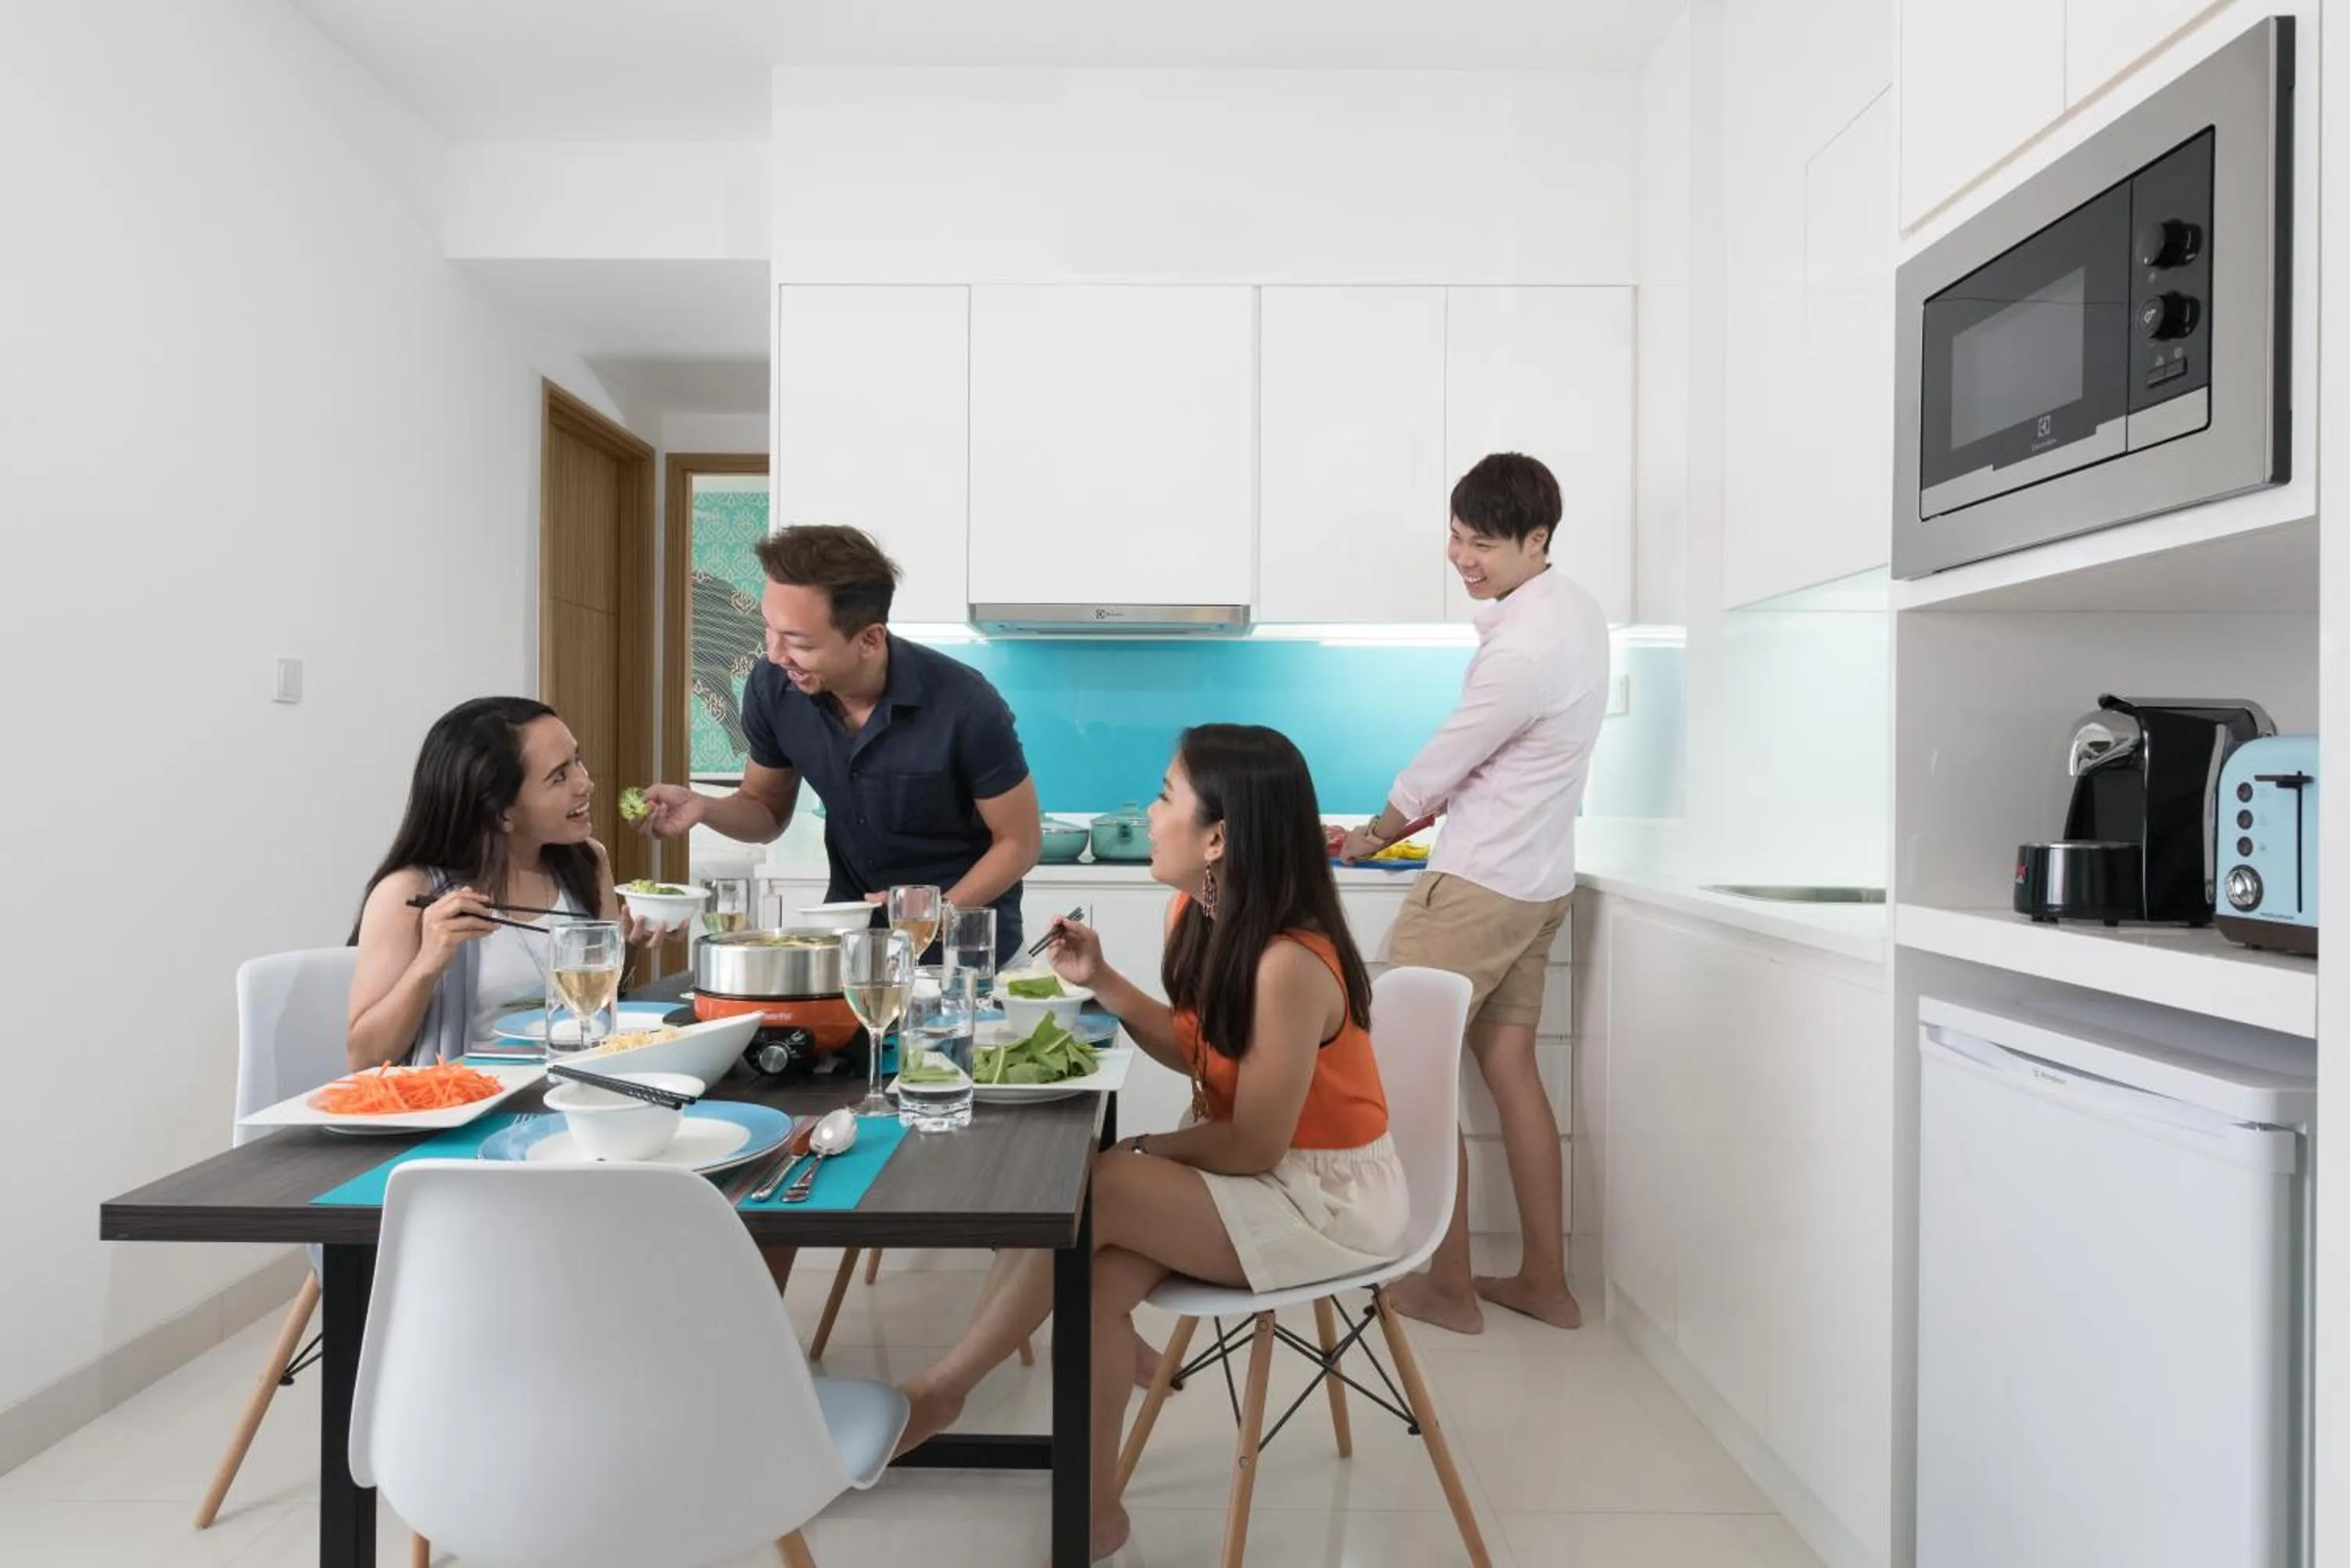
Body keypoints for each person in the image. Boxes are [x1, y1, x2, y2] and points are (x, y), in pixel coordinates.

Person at [896, 725, 1407, 1561]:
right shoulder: (1199, 912)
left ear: (1218, 837)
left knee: (1097, 1186)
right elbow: (1197, 1049)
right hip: (1260, 1174)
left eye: (1167, 795)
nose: (1151, 811)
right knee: (1090, 1274)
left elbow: (1250, 1145)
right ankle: (1095, 1508)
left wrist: (1150, 1151)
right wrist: (1102, 980)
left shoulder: (1289, 962)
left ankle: (942, 1391)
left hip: (1325, 1197)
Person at [1340, 453, 1608, 1335]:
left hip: (1480, 884)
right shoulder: (1576, 611)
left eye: (1482, 544)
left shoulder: (1522, 651)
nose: (1463, 558)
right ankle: (1545, 1282)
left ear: (1537, 541)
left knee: (1407, 1075)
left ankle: (1446, 1288)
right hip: (1538, 883)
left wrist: (1369, 834)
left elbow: (1445, 764)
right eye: (1455, 536)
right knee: (1509, 1069)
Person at [634, 524, 1040, 963]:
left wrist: (934, 913)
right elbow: (764, 809)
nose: (774, 654)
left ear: (869, 639)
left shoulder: (966, 704)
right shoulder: (773, 687)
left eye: (799, 642)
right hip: (853, 946)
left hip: (968, 950)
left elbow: (1019, 841)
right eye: (770, 630)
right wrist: (704, 807)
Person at [347, 697, 673, 1071]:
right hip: (467, 1101)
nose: (586, 783)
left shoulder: (587, 861)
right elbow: (364, 1057)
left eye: (577, 760)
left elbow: (596, 1004)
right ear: (501, 811)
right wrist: (428, 962)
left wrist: (628, 945)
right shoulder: (408, 893)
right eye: (559, 776)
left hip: (574, 1085)